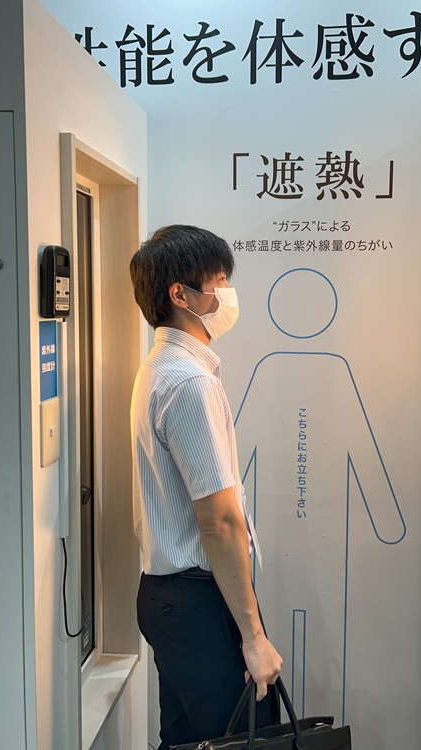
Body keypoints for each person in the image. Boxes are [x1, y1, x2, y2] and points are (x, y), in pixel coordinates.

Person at [129, 224, 282, 750]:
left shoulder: (159, 369)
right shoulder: (189, 381)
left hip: (168, 597)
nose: (226, 293)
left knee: (186, 739)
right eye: (219, 281)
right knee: (238, 739)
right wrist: (254, 637)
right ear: (181, 294)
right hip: (197, 600)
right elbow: (218, 521)